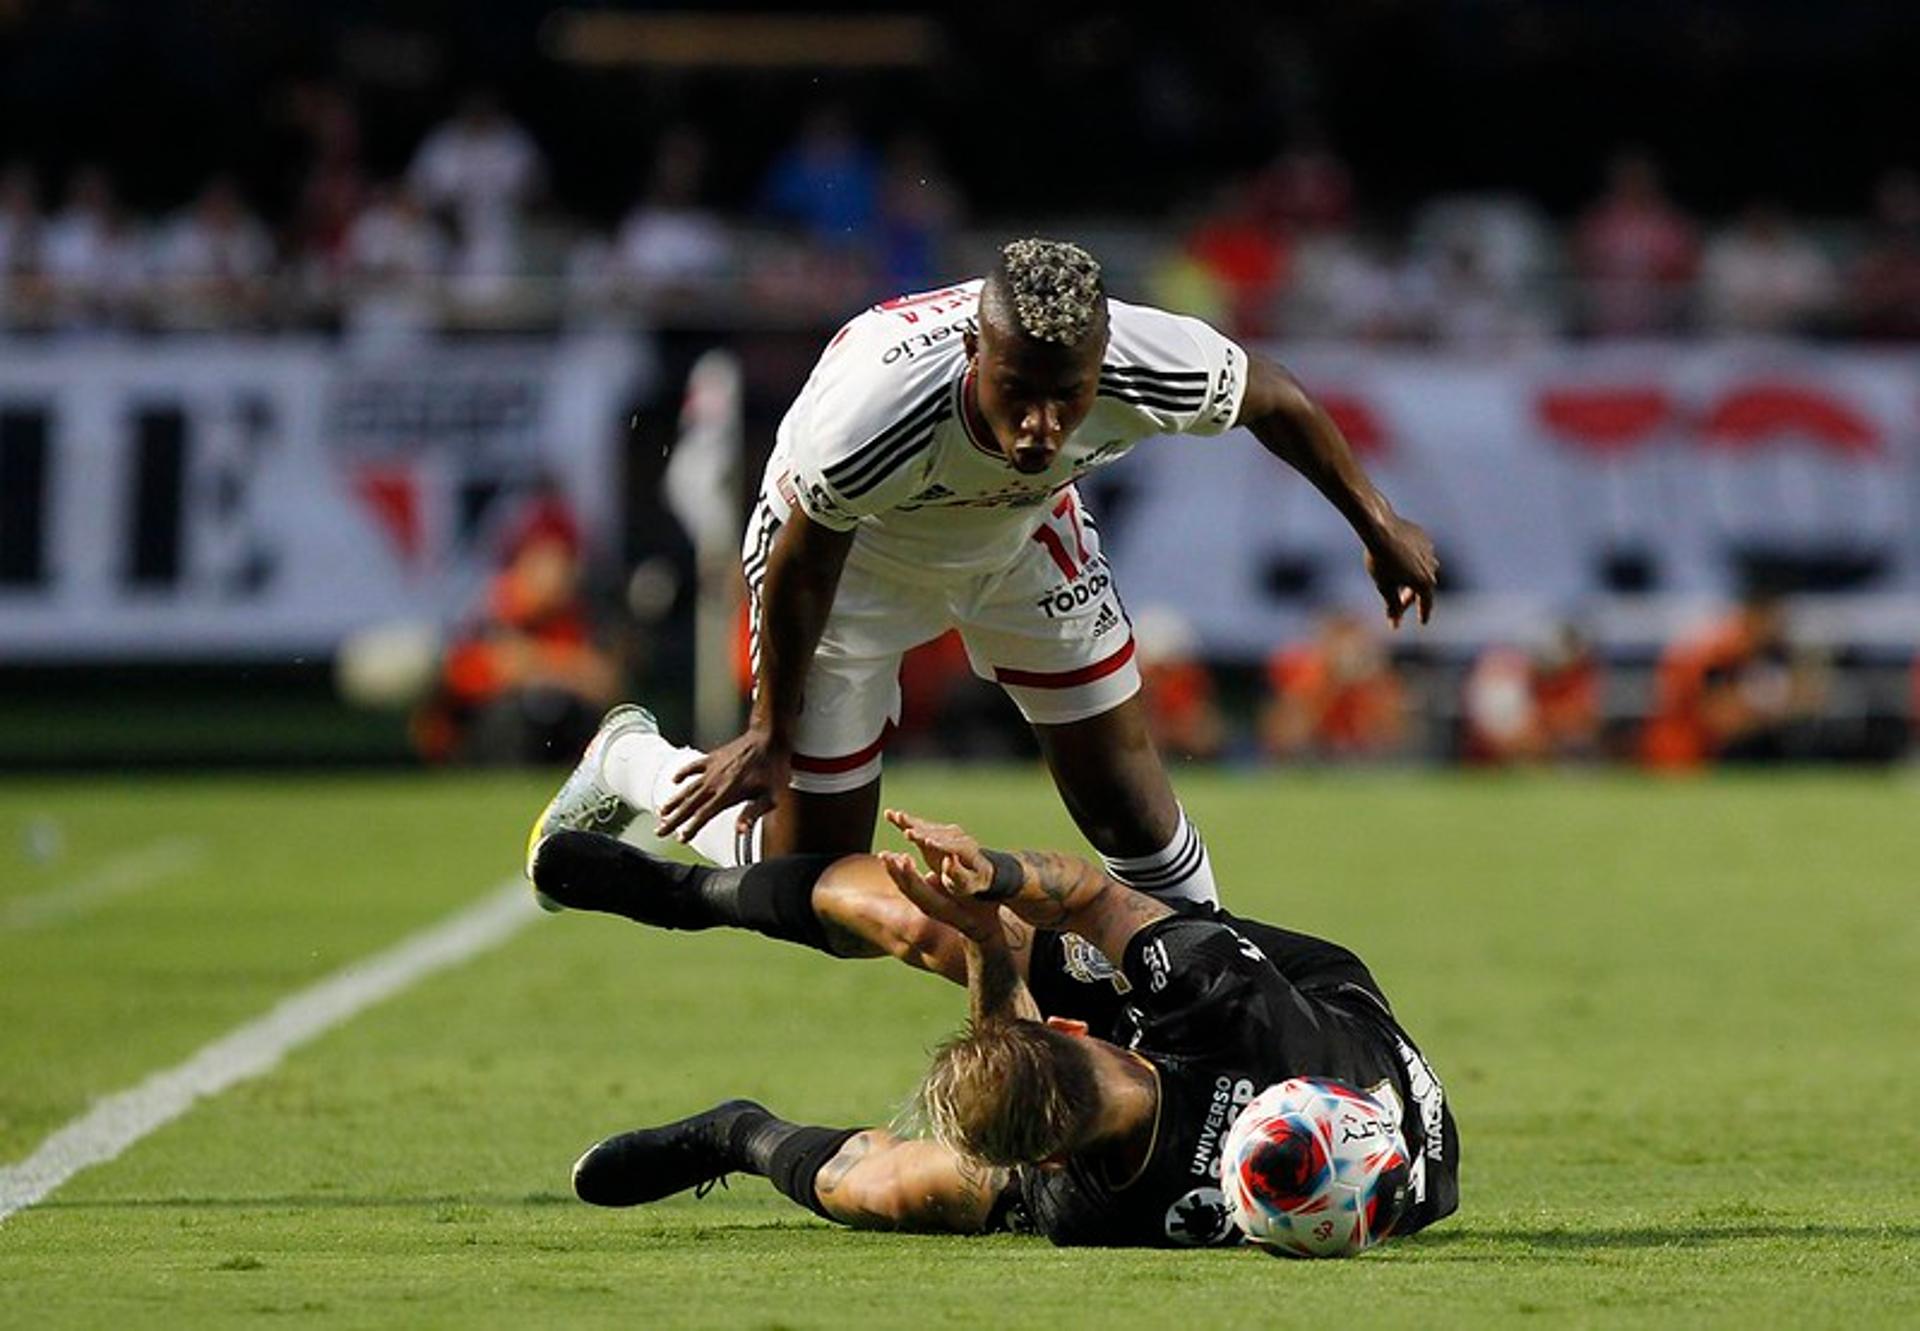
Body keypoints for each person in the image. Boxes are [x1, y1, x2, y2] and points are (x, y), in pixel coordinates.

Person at [535, 237, 1436, 909]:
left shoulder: (1140, 358)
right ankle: (631, 762)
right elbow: (801, 557)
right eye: (1020, 391)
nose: (1045, 424)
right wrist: (770, 731)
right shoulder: (867, 419)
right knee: (816, 887)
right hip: (854, 565)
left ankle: (1212, 990)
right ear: (975, 353)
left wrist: (1379, 519)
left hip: (1022, 534)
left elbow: (1273, 397)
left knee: (1129, 808)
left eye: (1067, 395)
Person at [527, 801, 1458, 1248]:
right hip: (1330, 1016)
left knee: (895, 1190)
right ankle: (689, 892)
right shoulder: (1210, 989)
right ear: (1074, 1024)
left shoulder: (1086, 1207)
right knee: (930, 923)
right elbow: (1091, 892)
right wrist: (993, 888)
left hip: (1331, 1128)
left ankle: (735, 1134)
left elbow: (1012, 1071)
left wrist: (992, 951)